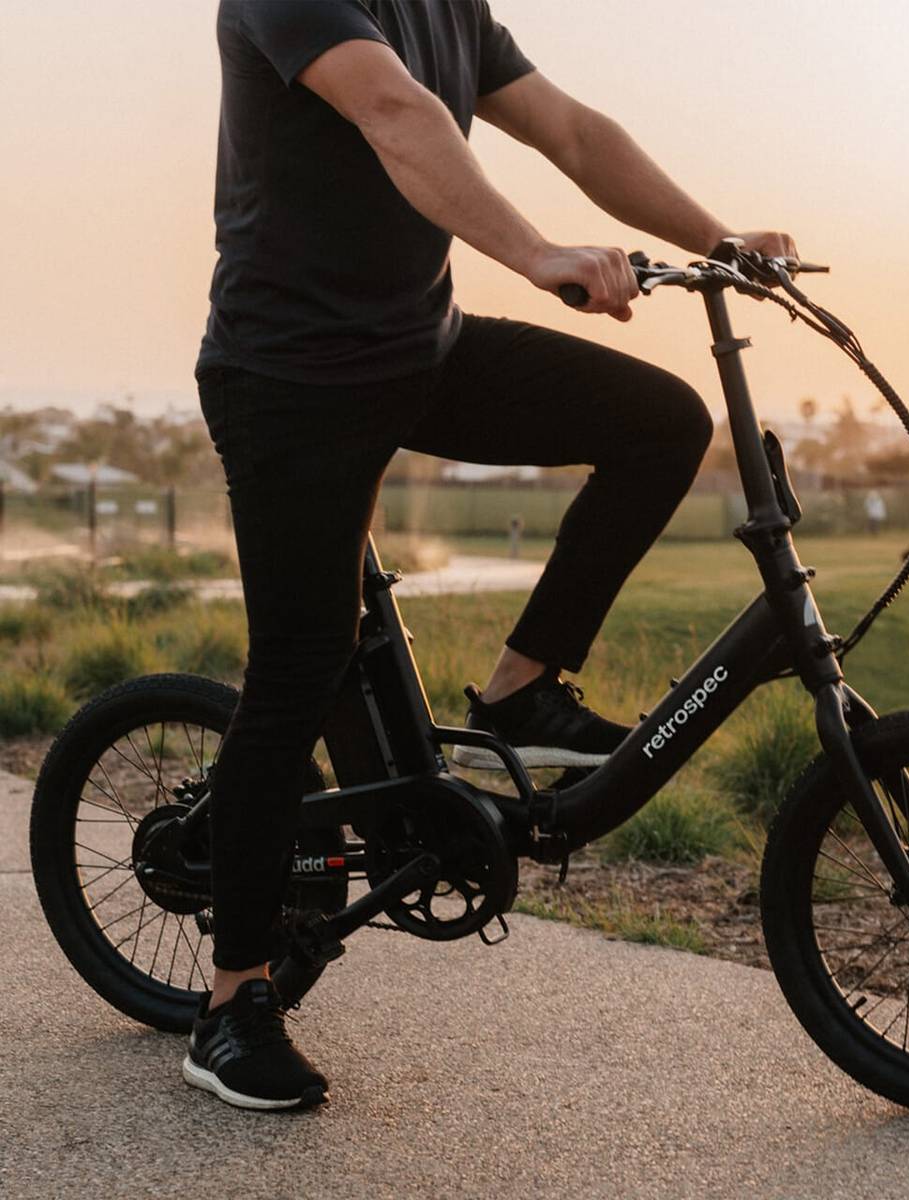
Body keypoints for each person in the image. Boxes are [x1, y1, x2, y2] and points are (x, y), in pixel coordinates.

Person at [186, 0, 797, 1111]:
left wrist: (720, 241)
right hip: (291, 380)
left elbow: (569, 129)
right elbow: (394, 110)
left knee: (659, 424)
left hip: (421, 350)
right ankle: (232, 1002)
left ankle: (521, 691)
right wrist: (536, 252)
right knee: (301, 665)